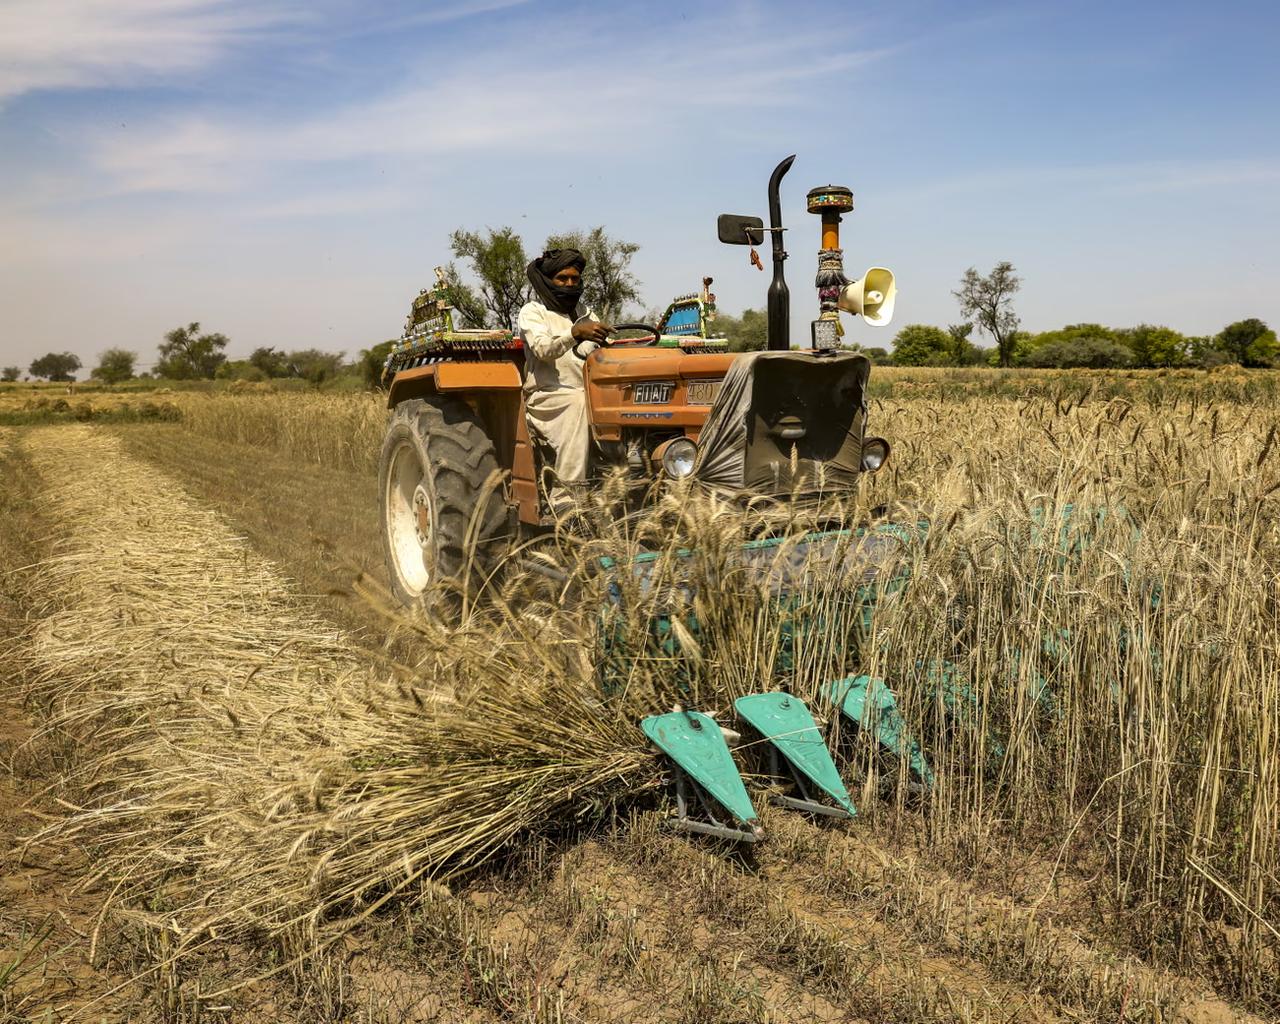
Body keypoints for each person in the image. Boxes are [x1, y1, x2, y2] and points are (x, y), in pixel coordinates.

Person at [518, 249, 611, 511]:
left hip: (588, 392)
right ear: (548, 280)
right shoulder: (533, 312)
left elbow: (601, 349)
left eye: (575, 279)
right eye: (562, 278)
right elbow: (543, 350)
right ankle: (566, 501)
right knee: (580, 403)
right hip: (548, 396)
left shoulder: (584, 312)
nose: (570, 284)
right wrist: (574, 333)